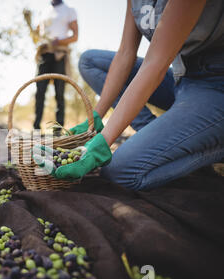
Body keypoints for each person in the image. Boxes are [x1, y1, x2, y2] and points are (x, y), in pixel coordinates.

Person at [35, 0, 224, 191]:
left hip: (214, 84)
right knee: (90, 61)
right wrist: (95, 119)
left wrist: (102, 143)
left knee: (121, 171)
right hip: (180, 76)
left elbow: (156, 63)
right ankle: (152, 132)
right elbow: (126, 52)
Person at [32, 0, 78, 130]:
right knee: (39, 92)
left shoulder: (69, 10)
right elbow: (36, 34)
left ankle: (58, 130)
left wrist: (59, 41)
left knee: (59, 93)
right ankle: (36, 128)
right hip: (44, 55)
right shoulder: (43, 11)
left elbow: (75, 36)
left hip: (59, 55)